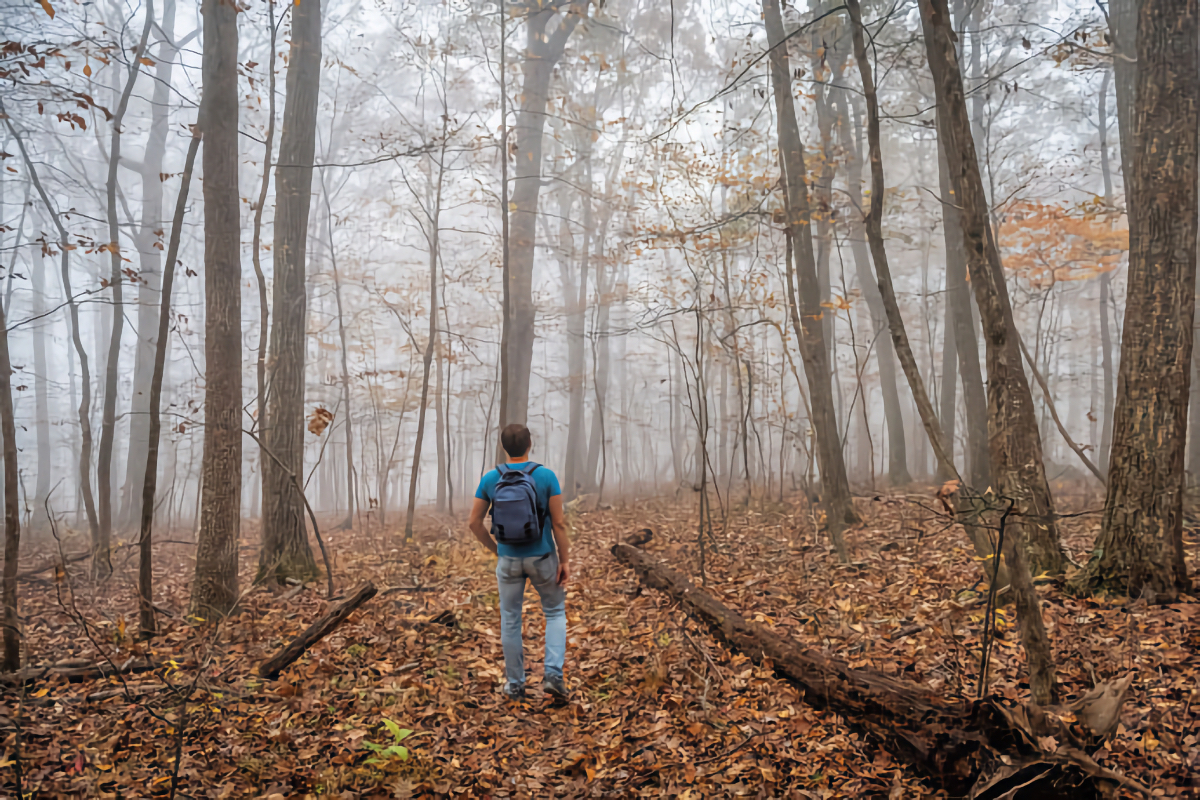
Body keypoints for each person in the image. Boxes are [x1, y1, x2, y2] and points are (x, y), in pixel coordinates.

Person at [468, 423, 571, 702]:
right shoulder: (546, 476)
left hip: (509, 561)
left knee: (511, 620)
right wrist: (565, 561)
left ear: (504, 447)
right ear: (530, 445)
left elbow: (474, 523)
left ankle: (515, 685)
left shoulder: (491, 478)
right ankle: (553, 675)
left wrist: (496, 550)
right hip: (543, 558)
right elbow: (559, 524)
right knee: (554, 612)